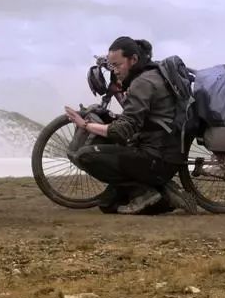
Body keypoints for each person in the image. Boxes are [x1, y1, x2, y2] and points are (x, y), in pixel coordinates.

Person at [64, 36, 197, 214]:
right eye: (112, 66)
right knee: (107, 204)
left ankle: (154, 191)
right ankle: (162, 193)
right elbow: (139, 120)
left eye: (118, 65)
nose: (116, 71)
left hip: (157, 158)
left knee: (86, 155)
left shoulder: (142, 83)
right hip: (161, 151)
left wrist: (85, 124)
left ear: (133, 59)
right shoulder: (152, 73)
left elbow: (121, 131)